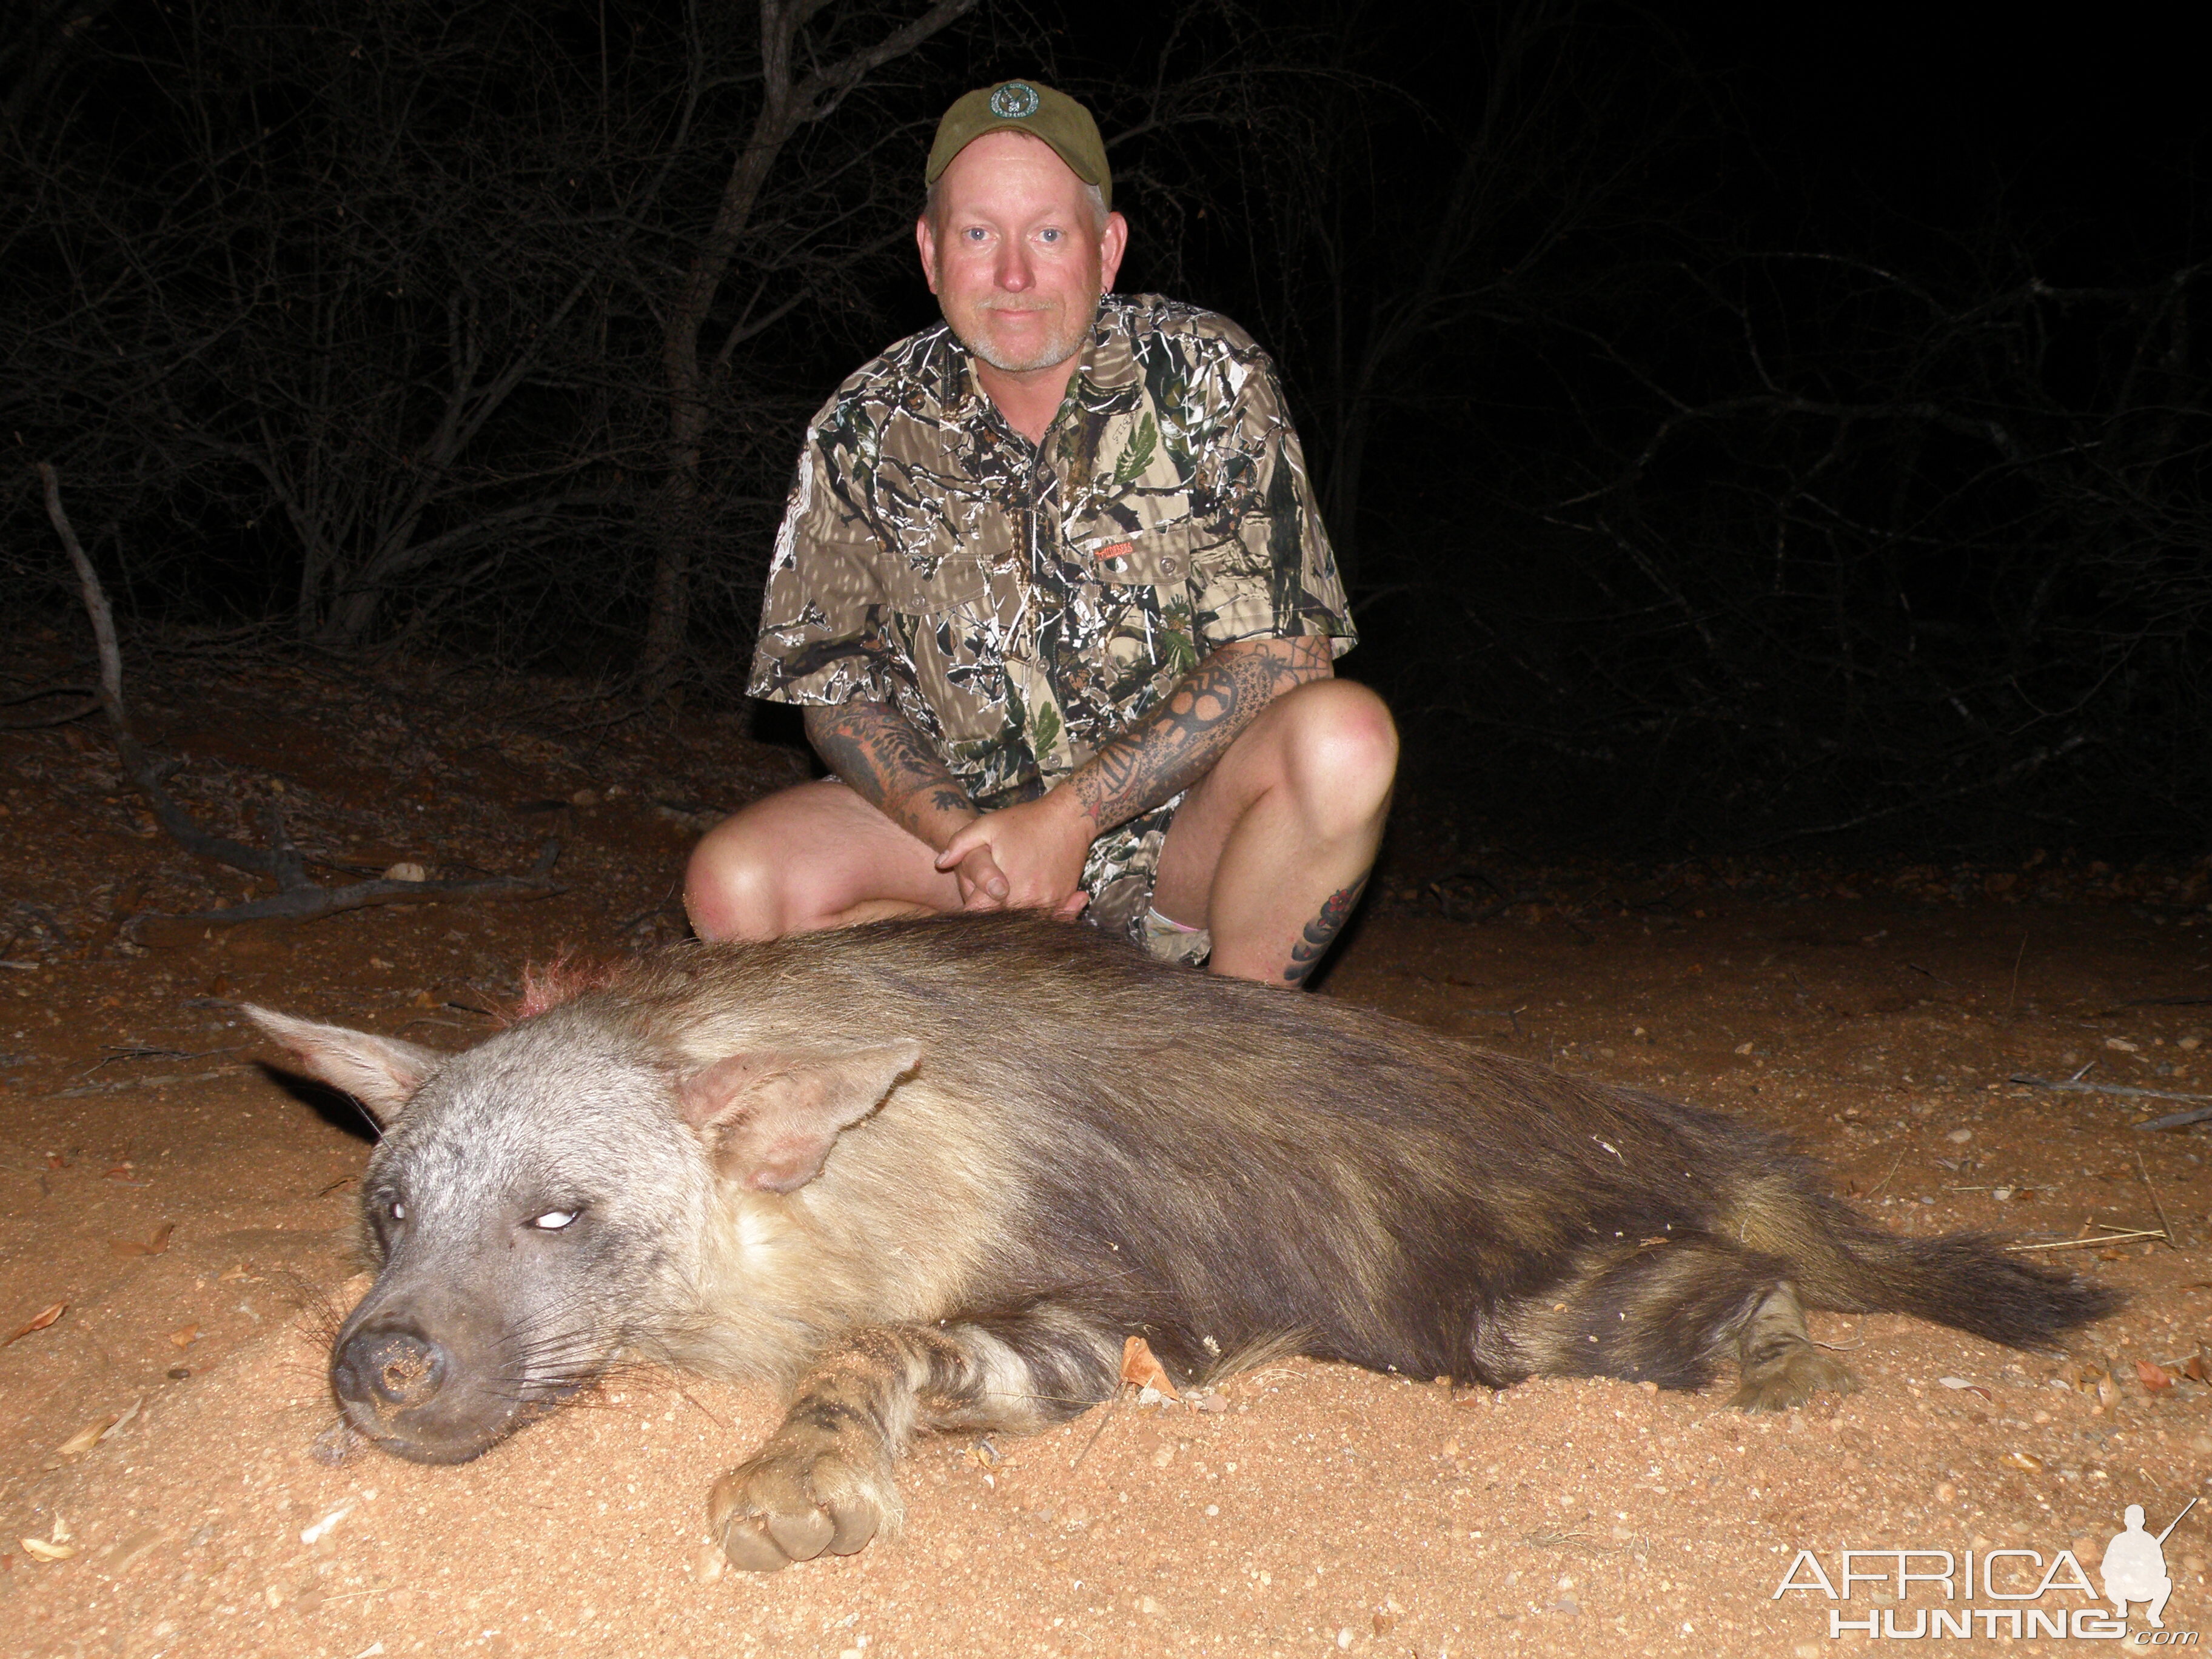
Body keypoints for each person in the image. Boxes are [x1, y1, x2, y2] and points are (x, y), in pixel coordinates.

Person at [685, 79, 1396, 986]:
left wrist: (1065, 821)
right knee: (735, 885)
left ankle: (1228, 1061)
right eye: (979, 234)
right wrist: (969, 845)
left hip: (1186, 841)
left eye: (1049, 235)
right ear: (931, 252)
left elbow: (1288, 656)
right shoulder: (857, 428)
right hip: (964, 854)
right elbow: (836, 690)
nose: (1013, 275)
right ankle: (1013, 1064)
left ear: (1108, 249)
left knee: (1345, 740)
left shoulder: (1211, 377)